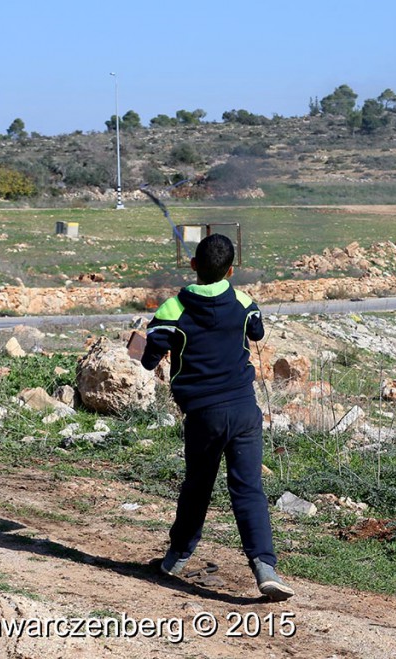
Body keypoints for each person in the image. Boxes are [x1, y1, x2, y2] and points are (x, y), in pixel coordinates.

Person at [140, 234, 294, 602]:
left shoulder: (172, 310)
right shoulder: (243, 303)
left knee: (197, 487)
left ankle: (176, 557)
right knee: (248, 490)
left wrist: (149, 339)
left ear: (193, 265)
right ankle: (265, 569)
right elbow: (256, 331)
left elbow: (148, 360)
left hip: (203, 415)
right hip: (244, 412)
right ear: (230, 270)